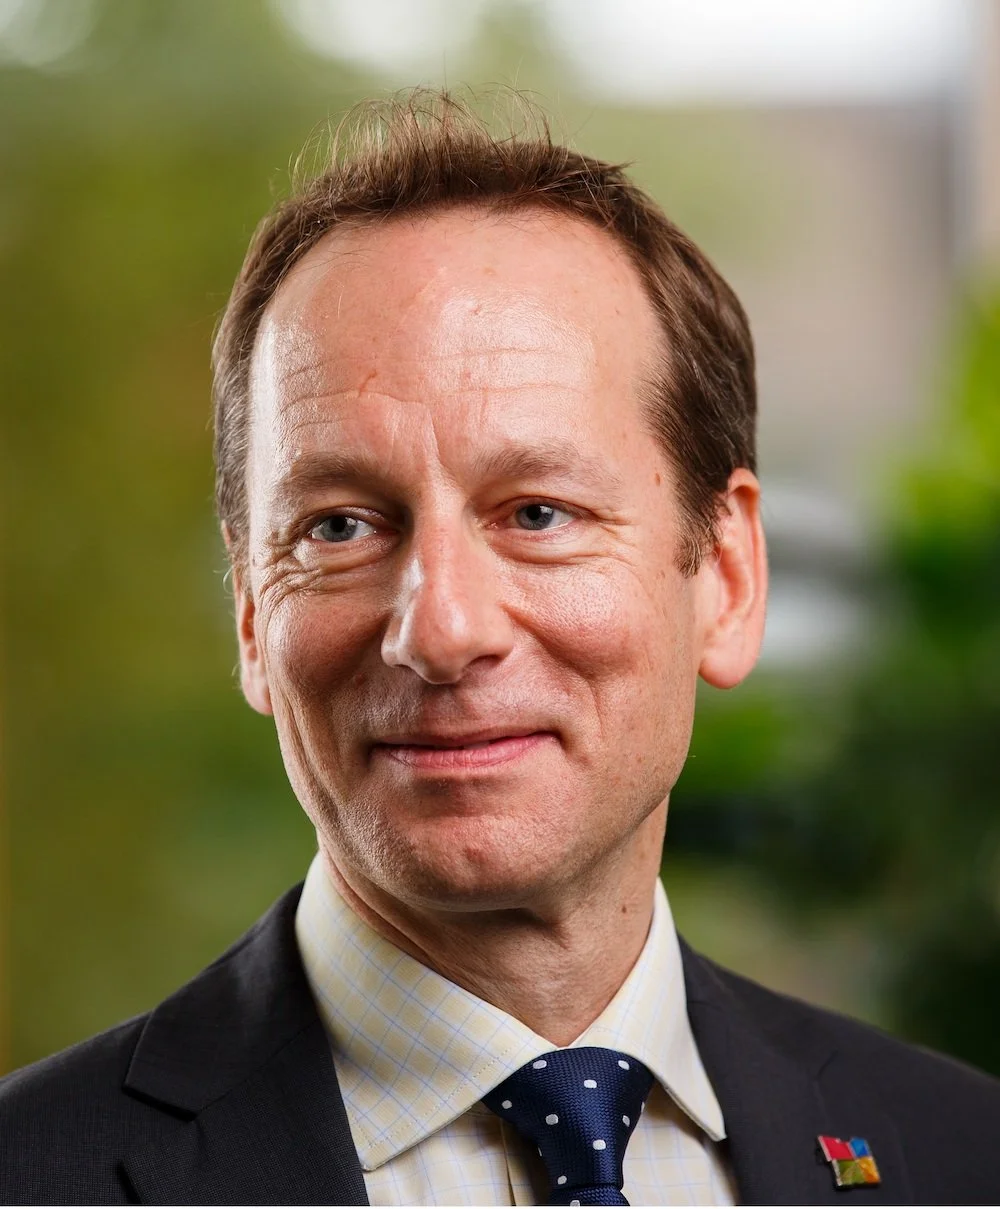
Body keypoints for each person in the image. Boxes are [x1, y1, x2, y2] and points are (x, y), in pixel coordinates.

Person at [2, 90, 999, 1207]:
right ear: (249, 612)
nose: (442, 629)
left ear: (724, 577)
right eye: (339, 527)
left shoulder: (963, 1159)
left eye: (537, 513)